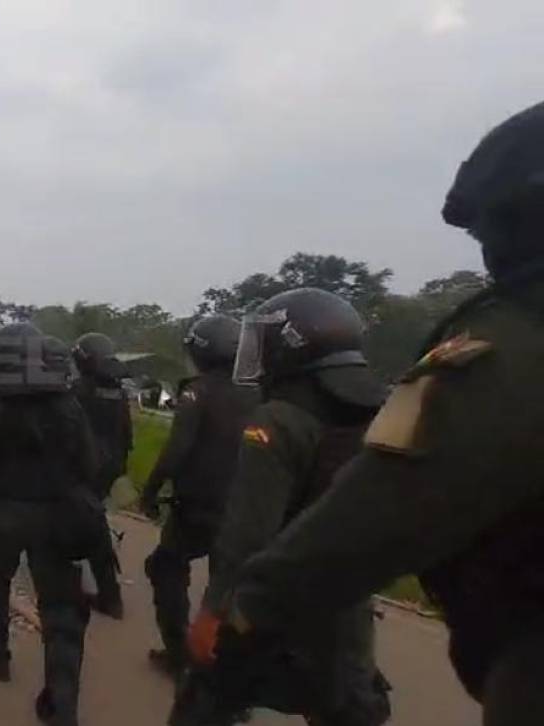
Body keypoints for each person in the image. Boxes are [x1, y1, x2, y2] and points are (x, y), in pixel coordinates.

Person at [208, 101, 544, 726]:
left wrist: (239, 613)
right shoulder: (367, 402)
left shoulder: (511, 348)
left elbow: (374, 515)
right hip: (349, 609)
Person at [172, 288, 392, 726]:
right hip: (345, 600)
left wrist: (214, 610)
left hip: (271, 596)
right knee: (347, 709)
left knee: (204, 702)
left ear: (293, 343)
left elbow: (248, 533)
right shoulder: (381, 411)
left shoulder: (279, 418)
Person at [0, 322, 103, 726]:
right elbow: (91, 465)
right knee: (62, 610)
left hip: (5, 512)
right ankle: (61, 704)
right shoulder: (68, 402)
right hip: (60, 514)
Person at [139, 314, 257, 676]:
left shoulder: (197, 391)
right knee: (229, 589)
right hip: (245, 509)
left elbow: (176, 450)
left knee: (165, 566)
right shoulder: (260, 393)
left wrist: (151, 490)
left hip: (198, 508)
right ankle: (228, 668)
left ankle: (180, 655)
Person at [70, 332, 133, 620]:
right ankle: (110, 596)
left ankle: (69, 594)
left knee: (65, 527)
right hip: (109, 470)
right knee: (96, 525)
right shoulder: (119, 392)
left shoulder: (77, 390)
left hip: (80, 469)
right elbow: (126, 436)